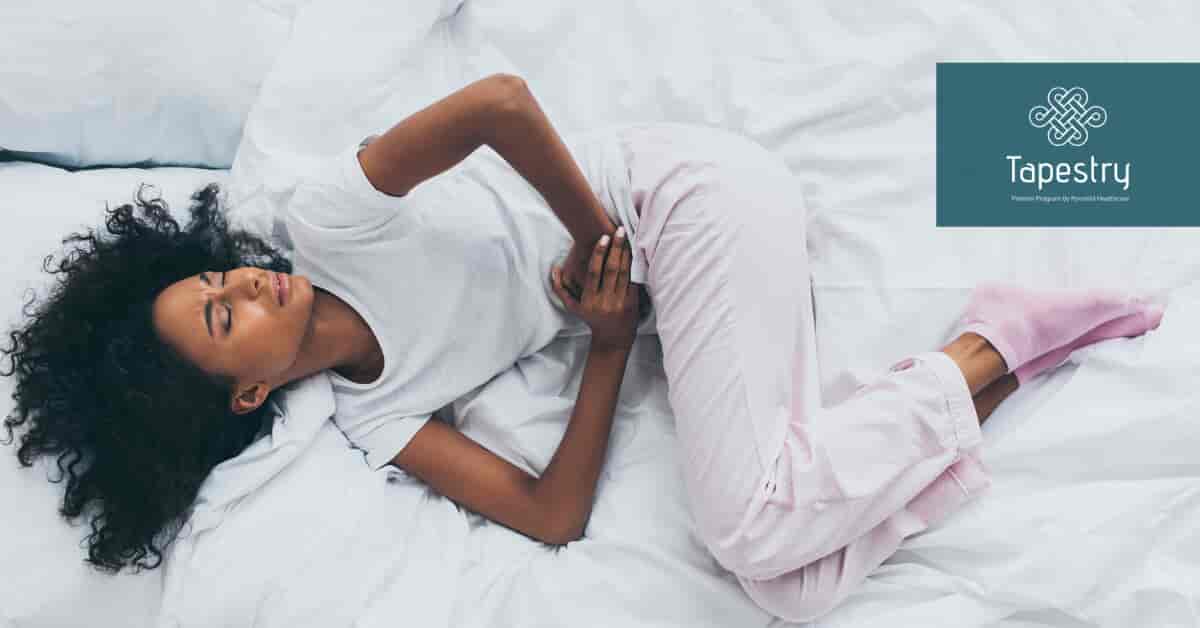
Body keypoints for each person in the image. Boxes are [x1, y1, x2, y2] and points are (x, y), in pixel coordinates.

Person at [0, 73, 1164, 621]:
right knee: (791, 581)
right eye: (225, 313)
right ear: (250, 387)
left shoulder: (328, 219)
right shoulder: (373, 420)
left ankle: (993, 339)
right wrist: (608, 341)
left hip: (678, 198)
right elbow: (551, 515)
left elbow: (498, 104)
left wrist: (595, 233)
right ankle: (990, 355)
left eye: (216, 275)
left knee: (751, 526)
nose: (245, 278)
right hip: (655, 284)